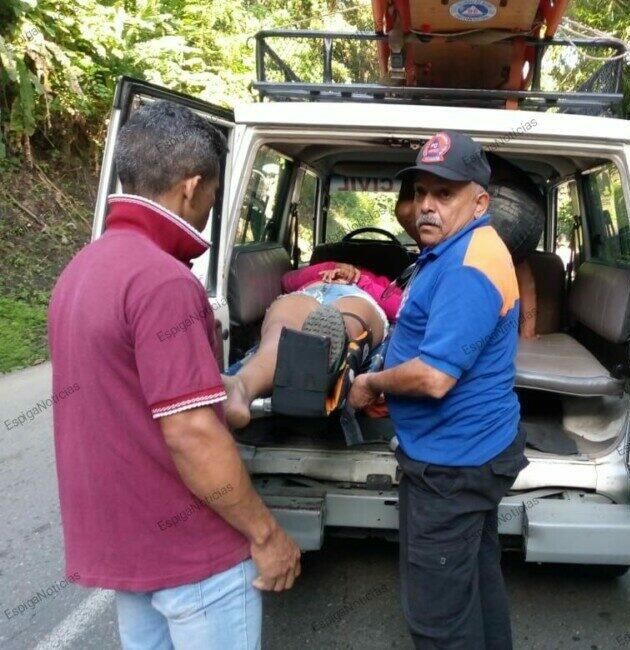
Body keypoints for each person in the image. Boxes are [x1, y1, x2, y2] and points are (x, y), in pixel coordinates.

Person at [48, 101, 300, 649]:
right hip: (194, 556)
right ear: (191, 187)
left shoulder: (81, 270)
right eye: (214, 192)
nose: (211, 205)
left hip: (131, 547)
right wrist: (266, 534)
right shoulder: (163, 282)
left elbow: (123, 403)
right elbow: (192, 434)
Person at [349, 130, 527, 649]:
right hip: (470, 455)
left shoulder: (470, 266)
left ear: (480, 203)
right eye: (421, 191)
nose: (427, 205)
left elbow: (434, 377)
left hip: (451, 469)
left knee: (437, 618)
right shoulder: (455, 248)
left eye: (445, 193)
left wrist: (372, 383)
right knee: (476, 582)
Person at [223, 258, 404, 429]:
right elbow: (287, 280)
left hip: (357, 296)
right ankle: (240, 387)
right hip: (310, 293)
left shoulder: (378, 281)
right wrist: (330, 268)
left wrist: (360, 279)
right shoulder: (325, 268)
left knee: (344, 322)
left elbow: (402, 307)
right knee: (280, 331)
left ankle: (332, 346)